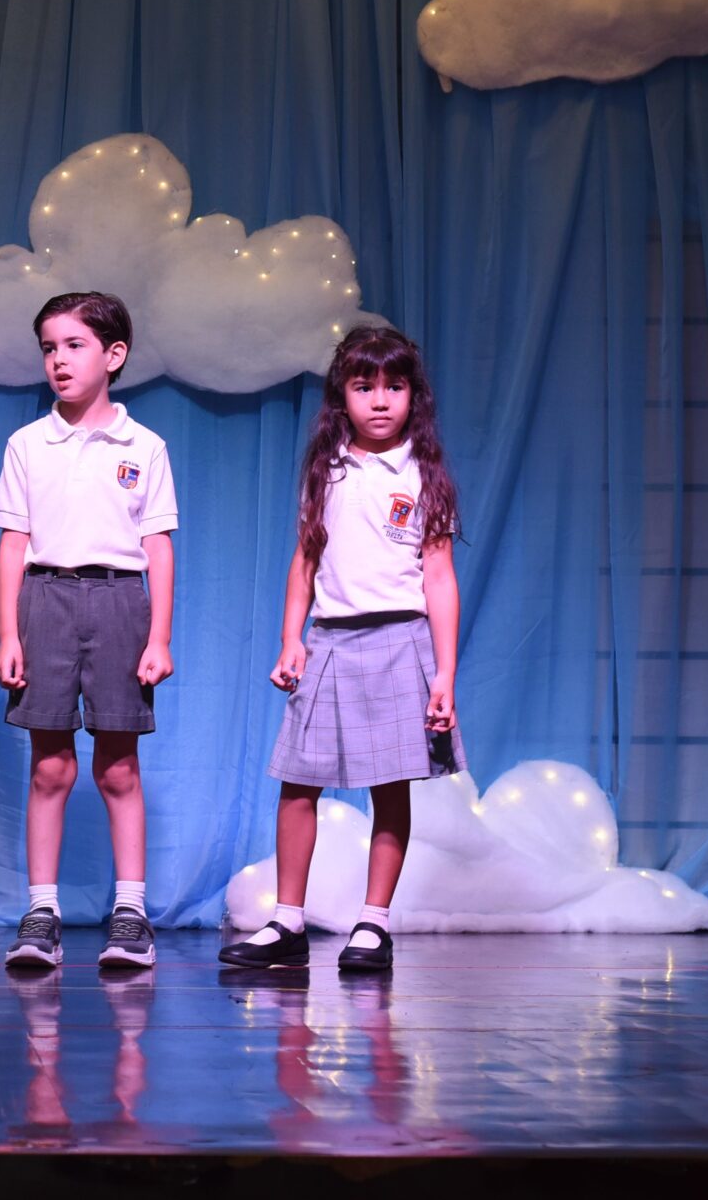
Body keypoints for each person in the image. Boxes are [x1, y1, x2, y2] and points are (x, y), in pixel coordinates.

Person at [219, 325, 462, 975]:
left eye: (394, 386)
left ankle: (373, 922)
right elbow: (306, 559)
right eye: (364, 386)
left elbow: (440, 578)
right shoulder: (326, 471)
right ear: (342, 396)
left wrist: (444, 673)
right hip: (329, 640)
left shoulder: (423, 474)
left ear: (413, 395)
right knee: (299, 782)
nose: (380, 400)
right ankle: (287, 921)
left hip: (400, 640)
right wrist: (290, 639)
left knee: (390, 785)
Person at [0, 291, 178, 972]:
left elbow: (158, 546)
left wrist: (159, 637)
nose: (59, 359)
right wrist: (8, 634)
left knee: (118, 765)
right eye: (49, 347)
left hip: (119, 601)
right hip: (44, 599)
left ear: (114, 354)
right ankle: (41, 912)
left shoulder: (144, 446)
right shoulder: (27, 443)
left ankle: (130, 913)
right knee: (49, 765)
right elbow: (13, 543)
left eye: (74, 345)